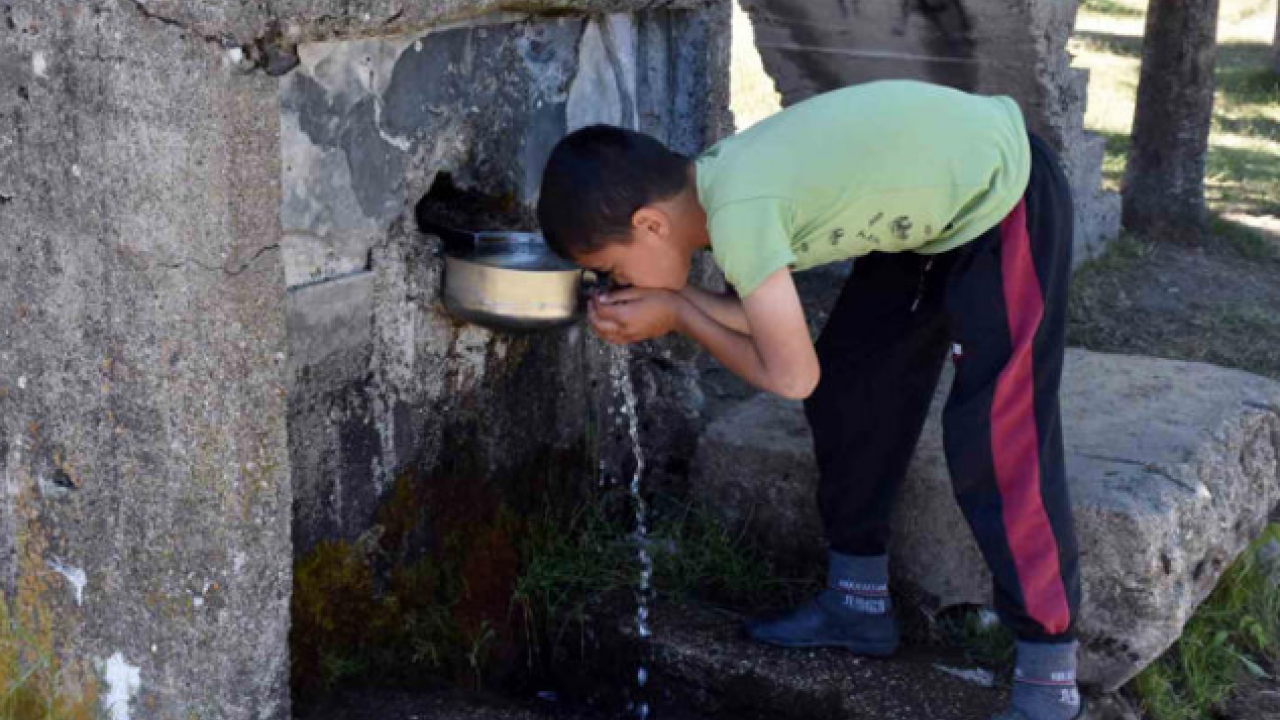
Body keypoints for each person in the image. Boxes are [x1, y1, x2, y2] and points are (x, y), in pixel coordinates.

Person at [536, 79, 1085, 720]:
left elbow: (792, 373)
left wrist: (681, 315)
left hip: (1004, 197)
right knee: (853, 391)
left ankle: (1050, 678)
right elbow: (768, 322)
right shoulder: (718, 185)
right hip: (929, 217)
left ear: (649, 224)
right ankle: (858, 603)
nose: (611, 285)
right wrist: (674, 302)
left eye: (612, 270)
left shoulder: (740, 207)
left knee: (997, 438)